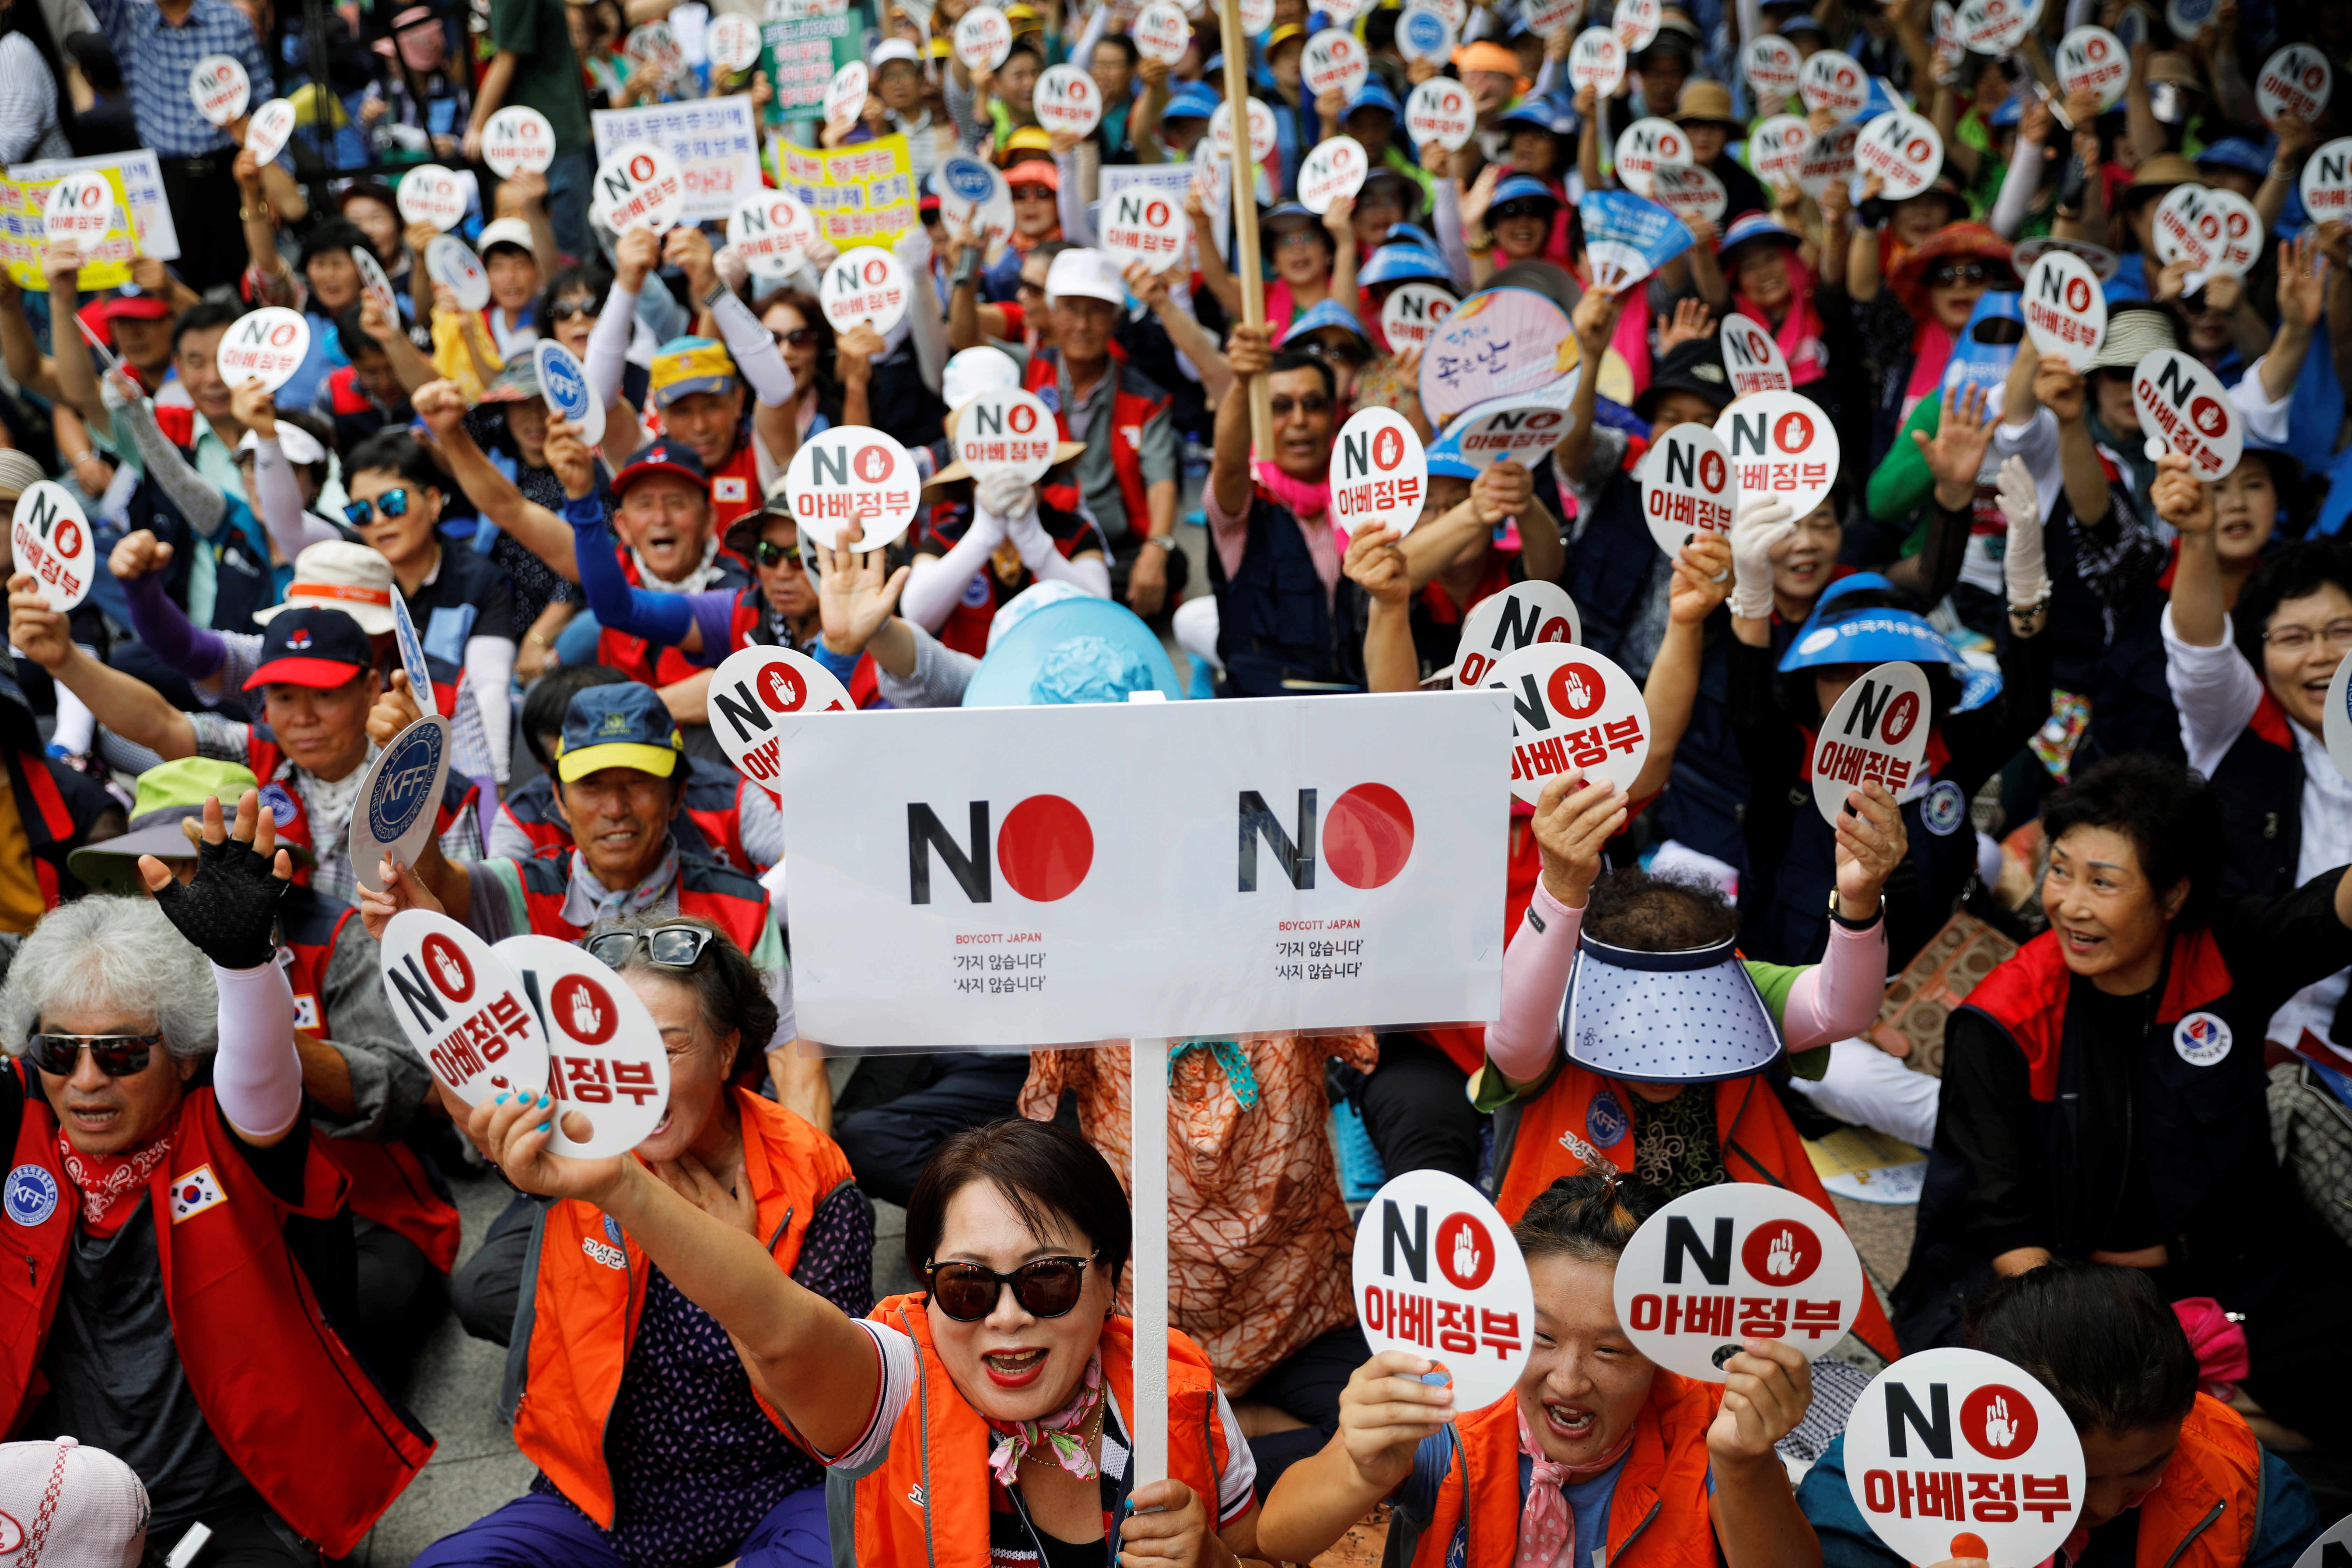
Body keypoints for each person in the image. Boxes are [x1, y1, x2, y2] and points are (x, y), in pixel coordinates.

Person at [452, 1106, 1263, 1563]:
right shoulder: (902, 1381)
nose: (1008, 1316)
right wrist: (622, 1186)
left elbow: (1249, 1548)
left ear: (1112, 1280)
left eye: (1048, 1279)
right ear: (927, 1288)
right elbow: (781, 1331)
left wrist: (1213, 1563)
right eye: (968, 1284)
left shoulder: (1176, 1390)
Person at [0, 796, 432, 1560]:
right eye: (60, 1051)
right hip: (60, 1499)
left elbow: (266, 1073)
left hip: (229, 1508)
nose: (88, 1080)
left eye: (125, 1053)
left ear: (188, 1054)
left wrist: (244, 966)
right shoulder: (23, 1130)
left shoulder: (229, 1132)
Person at [1894, 755, 2352, 1449]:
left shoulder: (2226, 952)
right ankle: (2209, 1421)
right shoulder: (2005, 1018)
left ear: (2173, 894)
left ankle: (2189, 1420)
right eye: (2061, 870)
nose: (2071, 905)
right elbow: (2005, 1224)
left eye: (2103, 882)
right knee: (2011, 1408)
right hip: (2064, 1288)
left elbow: (2323, 916)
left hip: (2232, 1276)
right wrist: (2101, 1335)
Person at [410, 911, 869, 1568]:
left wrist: (742, 1279)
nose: (639, 1075)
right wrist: (405, 916)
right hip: (603, 1499)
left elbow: (837, 1422)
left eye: (668, 1047)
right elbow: (480, 1067)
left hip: (773, 1493)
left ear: (729, 1050)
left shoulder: (817, 1185)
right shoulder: (584, 1142)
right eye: (616, 1047)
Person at [1471, 763, 1906, 1363]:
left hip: (1718, 1303)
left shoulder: (1742, 989)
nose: (1668, 1064)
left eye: (1690, 1032)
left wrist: (1858, 903)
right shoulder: (1561, 1003)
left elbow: (1841, 1012)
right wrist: (1559, 893)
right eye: (1640, 1038)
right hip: (1578, 1307)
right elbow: (1513, 1044)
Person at [65, 756, 458, 1371]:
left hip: (356, 1206)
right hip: (186, 1216)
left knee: (352, 1306)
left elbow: (408, 1087)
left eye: (214, 861)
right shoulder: (112, 963)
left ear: (264, 862)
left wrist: (251, 1009)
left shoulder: (337, 936)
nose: (189, 885)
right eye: (162, 867)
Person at [1256, 1171, 1823, 1568]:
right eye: (1541, 1337)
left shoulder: (1711, 1433)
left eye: (1612, 1351)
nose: (1569, 1381)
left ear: (1663, 1351)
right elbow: (1278, 1536)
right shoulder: (1449, 1407)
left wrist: (1746, 1464)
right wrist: (1363, 1469)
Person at [358, 679, 824, 1129]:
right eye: (592, 785)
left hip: (716, 1154)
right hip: (572, 1162)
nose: (616, 807)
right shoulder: (520, 888)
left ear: (678, 794)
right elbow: (430, 883)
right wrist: (409, 763)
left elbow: (795, 1066)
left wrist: (815, 1195)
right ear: (559, 800)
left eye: (638, 781)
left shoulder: (740, 904)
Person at [1805, 1264, 2322, 1568]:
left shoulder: (2249, 1486)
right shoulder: (1877, 1487)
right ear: (1991, 1421)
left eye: (2148, 1469)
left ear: (2186, 1415)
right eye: (2077, 1478)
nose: (2107, 1503)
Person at [6, 596, 485, 902]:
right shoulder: (259, 755)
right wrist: (65, 661)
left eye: (325, 695)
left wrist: (412, 777)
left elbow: (457, 908)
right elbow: (159, 724)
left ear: (372, 687)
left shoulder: (435, 787)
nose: (302, 717)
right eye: (283, 698)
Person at [2155, 451, 2352, 1059]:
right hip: (2226, 1037)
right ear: (2260, 653)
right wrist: (2195, 536)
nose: (2320, 656)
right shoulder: (2240, 725)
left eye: (2342, 632)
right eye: (2293, 638)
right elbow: (2200, 653)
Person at [85, 0, 271, 292]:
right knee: (173, 287)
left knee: (252, 278)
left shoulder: (232, 21)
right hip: (167, 180)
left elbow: (263, 102)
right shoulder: (128, 18)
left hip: (231, 170)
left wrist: (272, 181)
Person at [462, 0, 595, 255]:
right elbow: (505, 58)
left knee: (571, 256)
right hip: (547, 138)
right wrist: (478, 128)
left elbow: (507, 58)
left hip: (555, 137)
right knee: (560, 253)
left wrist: (477, 127)